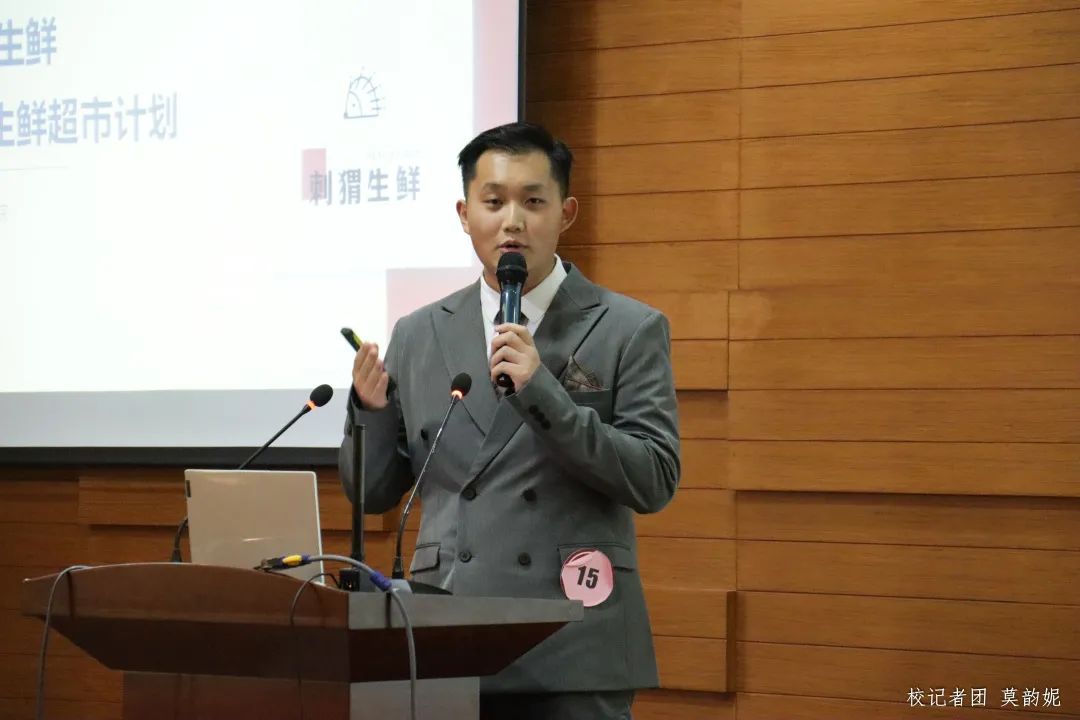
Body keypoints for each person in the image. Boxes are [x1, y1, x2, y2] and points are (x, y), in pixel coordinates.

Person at [339, 121, 680, 720]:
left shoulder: (628, 327)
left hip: (571, 639)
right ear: (464, 213)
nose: (512, 222)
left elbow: (653, 478)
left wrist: (542, 392)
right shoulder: (419, 332)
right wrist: (370, 415)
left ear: (566, 213)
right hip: (443, 630)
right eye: (493, 202)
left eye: (533, 202)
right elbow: (374, 494)